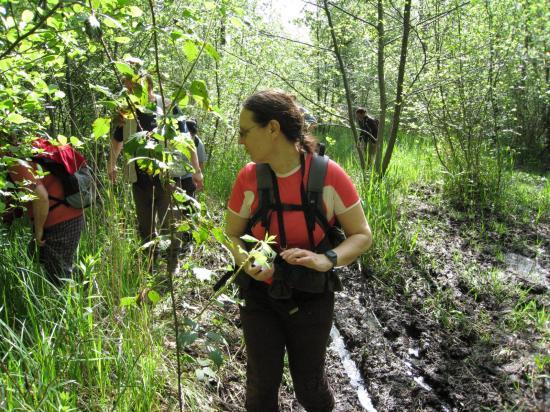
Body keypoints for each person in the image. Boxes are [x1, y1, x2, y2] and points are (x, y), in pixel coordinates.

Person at [225, 90, 372, 411]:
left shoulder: (329, 176)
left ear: (273, 128)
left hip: (312, 296)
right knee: (261, 388)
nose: (240, 141)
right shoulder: (248, 178)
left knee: (309, 388)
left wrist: (326, 259)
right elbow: (231, 235)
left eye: (245, 131)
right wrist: (247, 261)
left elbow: (361, 235)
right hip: (260, 296)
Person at [107, 72, 203, 245]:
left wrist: (196, 171)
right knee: (145, 229)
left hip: (168, 178)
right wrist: (112, 165)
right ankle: (149, 265)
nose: (129, 91)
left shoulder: (167, 106)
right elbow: (117, 139)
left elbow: (186, 139)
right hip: (139, 181)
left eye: (133, 87)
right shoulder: (127, 111)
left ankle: (172, 266)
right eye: (127, 88)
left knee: (171, 226)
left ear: (148, 86)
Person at [8, 138, 85, 285]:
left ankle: (85, 299)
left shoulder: (13, 159)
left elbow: (40, 196)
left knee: (58, 278)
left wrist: (38, 231)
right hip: (69, 211)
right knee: (44, 259)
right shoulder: (28, 143)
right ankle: (84, 286)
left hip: (60, 220)